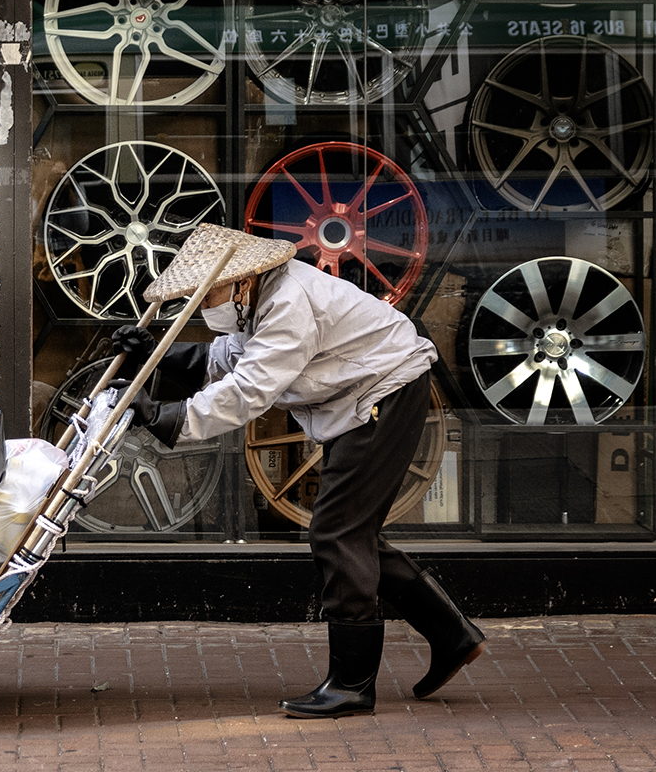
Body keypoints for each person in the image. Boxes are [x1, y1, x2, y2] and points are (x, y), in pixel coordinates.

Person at [114, 222, 485, 719]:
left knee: (338, 532)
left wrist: (165, 417)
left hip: (383, 392)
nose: (202, 307)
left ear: (241, 281)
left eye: (208, 295)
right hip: (360, 398)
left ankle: (352, 684)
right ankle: (451, 634)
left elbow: (249, 389)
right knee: (352, 531)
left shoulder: (289, 302)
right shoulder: (263, 297)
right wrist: (158, 355)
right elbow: (235, 355)